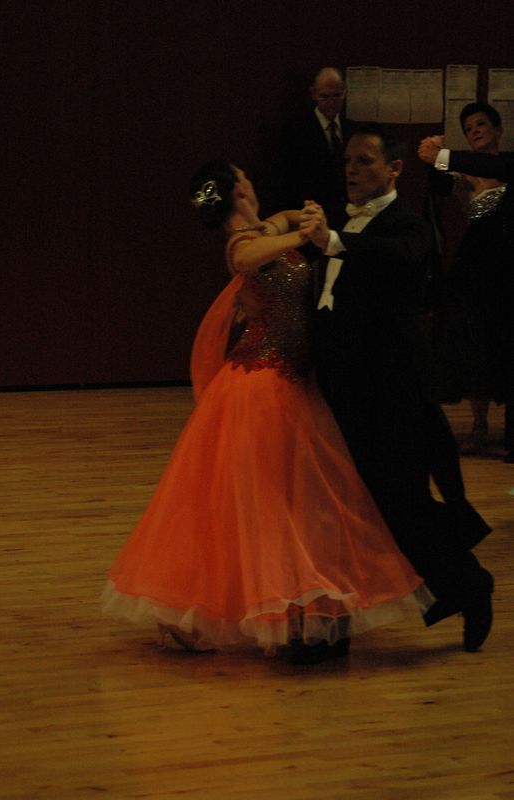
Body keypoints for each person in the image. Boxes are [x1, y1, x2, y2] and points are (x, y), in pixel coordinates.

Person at [102, 159, 433, 665]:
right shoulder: (242, 244)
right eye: (245, 177)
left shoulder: (265, 228)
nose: (252, 182)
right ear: (238, 190)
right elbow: (246, 258)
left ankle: (297, 610)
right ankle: (269, 611)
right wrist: (303, 237)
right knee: (264, 503)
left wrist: (304, 218)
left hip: (291, 384)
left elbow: (285, 218)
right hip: (260, 386)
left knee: (292, 501)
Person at [300, 123, 494, 652]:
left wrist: (333, 241)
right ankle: (332, 624)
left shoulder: (406, 226)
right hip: (335, 391)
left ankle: (470, 583)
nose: (352, 170)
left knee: (400, 505)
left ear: (394, 169)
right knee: (334, 509)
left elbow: (401, 258)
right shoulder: (338, 220)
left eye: (364, 161)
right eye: (348, 161)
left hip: (387, 398)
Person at [419, 121, 514, 464]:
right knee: (476, 343)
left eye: (482, 124)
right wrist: (433, 160)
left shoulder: (505, 163)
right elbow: (441, 187)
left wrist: (441, 155)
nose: (476, 131)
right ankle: (479, 425)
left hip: (507, 269)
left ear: (498, 129)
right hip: (476, 269)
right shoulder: (463, 172)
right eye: (469, 127)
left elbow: (496, 167)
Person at [270, 67, 356, 214]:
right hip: (310, 211)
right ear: (314, 94)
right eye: (324, 96)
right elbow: (285, 180)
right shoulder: (295, 130)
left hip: (346, 212)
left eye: (337, 95)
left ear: (345, 92)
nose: (331, 102)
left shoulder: (352, 129)